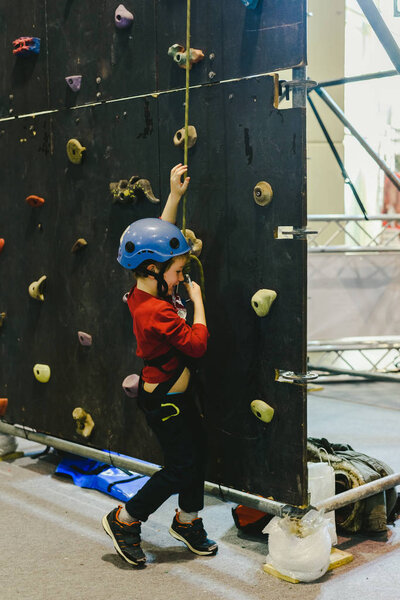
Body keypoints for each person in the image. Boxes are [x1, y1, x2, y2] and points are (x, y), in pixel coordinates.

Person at [102, 164, 218, 566]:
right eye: (180, 272)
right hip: (164, 401)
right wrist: (198, 300)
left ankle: (187, 521)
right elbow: (198, 344)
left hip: (175, 399)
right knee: (177, 468)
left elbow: (160, 242)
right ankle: (125, 518)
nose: (183, 276)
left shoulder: (146, 288)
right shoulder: (156, 312)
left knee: (197, 453)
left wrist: (174, 197)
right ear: (154, 271)